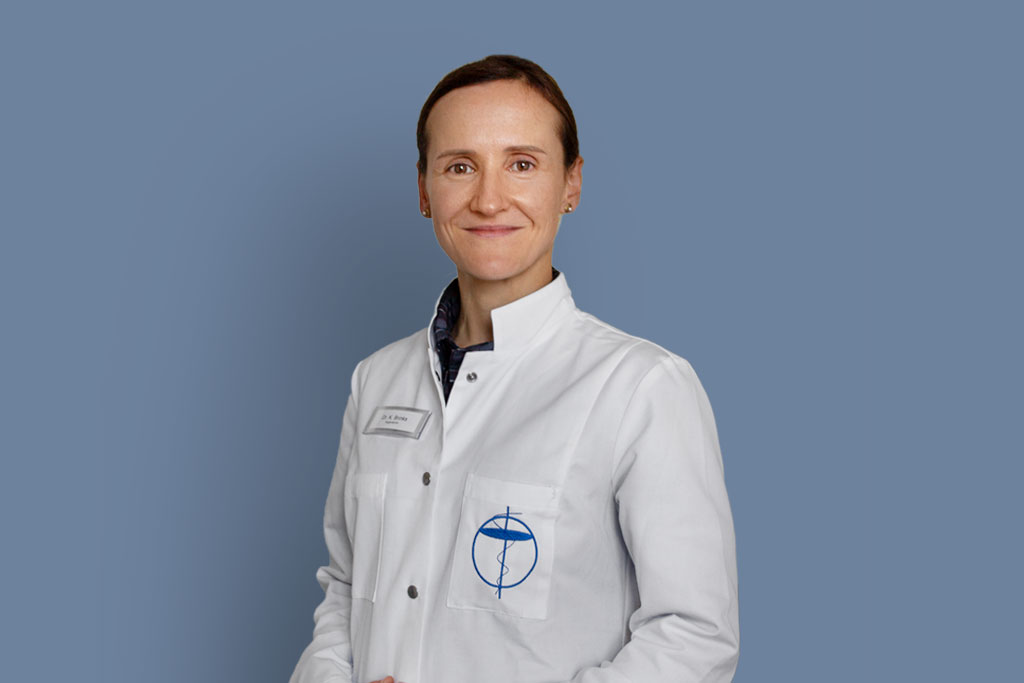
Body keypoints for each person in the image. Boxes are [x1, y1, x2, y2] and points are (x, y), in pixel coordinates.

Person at [289, 54, 739, 683]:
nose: (488, 199)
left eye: (522, 164)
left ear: (571, 184)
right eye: (460, 166)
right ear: (424, 190)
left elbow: (693, 637)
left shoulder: (641, 388)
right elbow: (345, 587)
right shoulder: (377, 380)